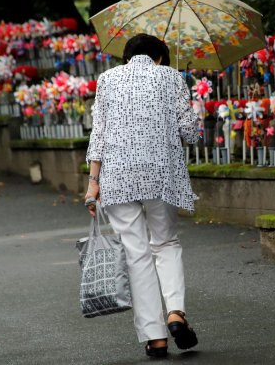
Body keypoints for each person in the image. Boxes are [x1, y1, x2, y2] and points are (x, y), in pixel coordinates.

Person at [84, 33, 200, 358]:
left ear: (127, 57)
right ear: (159, 57)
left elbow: (99, 134)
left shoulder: (106, 80)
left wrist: (93, 182)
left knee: (137, 254)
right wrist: (194, 115)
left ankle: (156, 337)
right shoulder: (170, 76)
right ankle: (176, 312)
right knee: (165, 243)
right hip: (161, 175)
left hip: (117, 177)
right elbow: (190, 132)